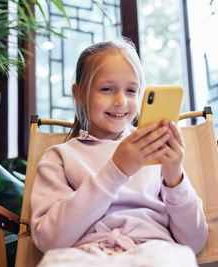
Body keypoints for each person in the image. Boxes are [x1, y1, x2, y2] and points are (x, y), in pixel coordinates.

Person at [30, 38, 208, 267]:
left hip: (154, 252)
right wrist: (116, 171)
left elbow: (193, 242)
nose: (121, 101)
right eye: (107, 89)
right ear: (80, 94)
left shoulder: (156, 153)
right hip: (85, 255)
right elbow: (49, 240)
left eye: (131, 90)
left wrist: (175, 179)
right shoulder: (59, 157)